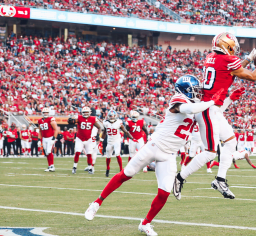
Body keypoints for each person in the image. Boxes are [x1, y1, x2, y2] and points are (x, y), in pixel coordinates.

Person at [84, 75, 227, 235]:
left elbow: (213, 112)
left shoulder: (199, 108)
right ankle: (96, 203)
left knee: (164, 192)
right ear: (186, 90)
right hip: (154, 145)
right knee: (127, 174)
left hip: (170, 154)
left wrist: (226, 98)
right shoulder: (179, 99)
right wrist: (211, 101)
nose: (198, 93)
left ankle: (145, 224)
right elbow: (188, 109)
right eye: (195, 90)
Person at [173, 32, 256, 200]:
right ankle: (179, 178)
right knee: (210, 152)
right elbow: (253, 76)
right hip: (208, 110)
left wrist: (248, 57)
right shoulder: (227, 60)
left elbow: (232, 71)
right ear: (227, 45)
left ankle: (220, 180)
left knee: (231, 141)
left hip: (212, 109)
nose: (235, 50)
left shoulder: (212, 57)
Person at [68, 107, 103, 174]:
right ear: (82, 113)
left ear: (89, 112)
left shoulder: (93, 119)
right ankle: (74, 167)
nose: (86, 114)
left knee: (89, 154)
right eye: (84, 112)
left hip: (88, 139)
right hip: (80, 138)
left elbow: (99, 127)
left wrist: (98, 135)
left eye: (87, 112)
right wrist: (70, 120)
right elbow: (71, 122)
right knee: (77, 153)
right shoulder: (79, 118)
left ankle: (90, 168)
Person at [101, 110, 133, 177]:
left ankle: (121, 170)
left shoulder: (119, 122)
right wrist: (101, 140)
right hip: (109, 142)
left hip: (117, 141)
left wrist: (132, 138)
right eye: (110, 116)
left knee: (117, 154)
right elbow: (104, 132)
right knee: (108, 156)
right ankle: (107, 169)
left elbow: (126, 131)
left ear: (115, 116)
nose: (112, 118)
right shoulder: (105, 123)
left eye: (113, 116)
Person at [38, 108, 59, 172]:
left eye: (46, 112)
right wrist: (39, 139)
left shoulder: (51, 119)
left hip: (50, 137)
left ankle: (52, 166)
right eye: (44, 112)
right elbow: (40, 131)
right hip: (44, 138)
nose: (45, 114)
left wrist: (54, 138)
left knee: (49, 151)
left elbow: (56, 129)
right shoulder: (39, 121)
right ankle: (49, 166)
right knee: (46, 152)